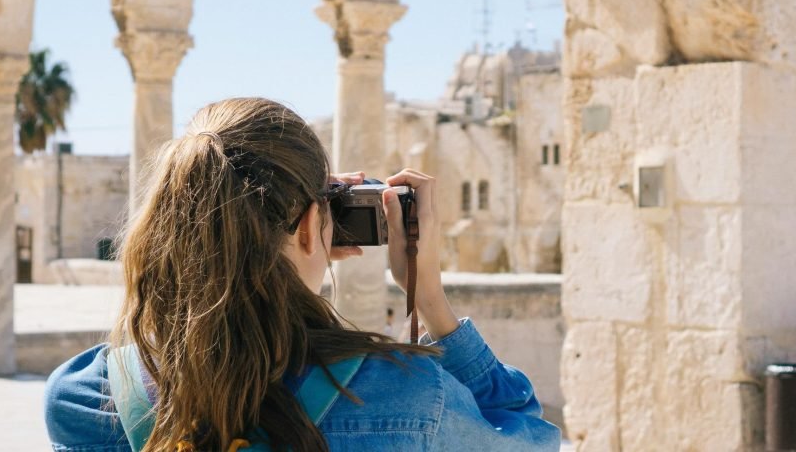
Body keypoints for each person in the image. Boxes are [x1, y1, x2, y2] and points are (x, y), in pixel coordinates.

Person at [44, 97, 561, 451]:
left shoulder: (84, 397)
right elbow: (530, 436)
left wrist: (304, 231)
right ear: (315, 226)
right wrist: (431, 301)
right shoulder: (410, 396)